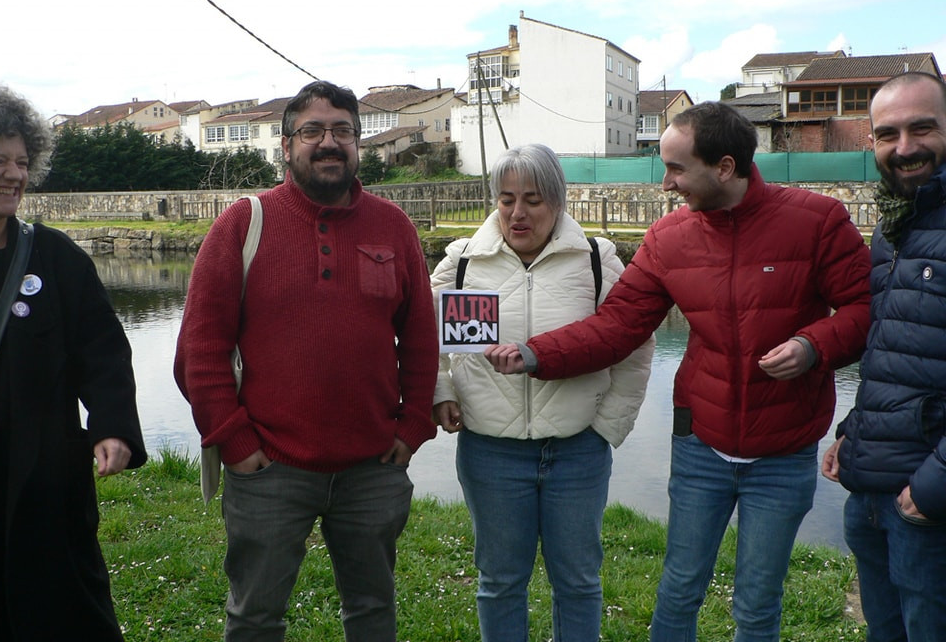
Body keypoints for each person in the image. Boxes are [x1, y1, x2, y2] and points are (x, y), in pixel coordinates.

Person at [485, 102, 872, 642]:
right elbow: (619, 325)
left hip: (784, 448)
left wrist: (812, 345)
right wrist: (534, 354)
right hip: (700, 444)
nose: (665, 184)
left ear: (725, 168)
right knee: (680, 587)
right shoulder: (668, 238)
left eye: (675, 168)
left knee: (758, 599)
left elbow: (864, 310)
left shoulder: (818, 221)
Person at [174, 80, 438, 642]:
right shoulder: (243, 224)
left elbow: (419, 339)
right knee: (254, 618)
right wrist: (233, 440)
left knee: (372, 613)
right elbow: (200, 349)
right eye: (312, 131)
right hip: (270, 465)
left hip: (372, 468)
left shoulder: (393, 227)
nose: (328, 142)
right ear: (287, 146)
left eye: (343, 130)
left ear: (358, 144)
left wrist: (414, 424)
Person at [431, 143, 654, 642]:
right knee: (500, 581)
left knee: (576, 582)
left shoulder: (596, 261)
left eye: (533, 199)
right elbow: (421, 335)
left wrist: (606, 428)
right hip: (490, 451)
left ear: (557, 200)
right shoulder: (464, 261)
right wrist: (441, 389)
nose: (517, 212)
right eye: (506, 198)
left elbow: (634, 346)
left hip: (577, 450)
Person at [0, 85, 146, 640]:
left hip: (46, 477)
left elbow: (102, 350)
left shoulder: (55, 257)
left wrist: (111, 426)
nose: (14, 175)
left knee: (67, 609)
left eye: (22, 162)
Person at [822, 71, 946, 641]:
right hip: (874, 491)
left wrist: (933, 487)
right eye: (886, 133)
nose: (904, 148)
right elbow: (892, 349)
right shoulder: (894, 229)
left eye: (923, 128)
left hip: (927, 503)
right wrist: (855, 427)